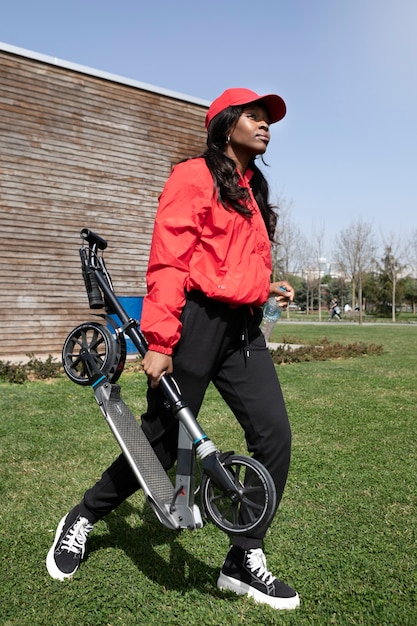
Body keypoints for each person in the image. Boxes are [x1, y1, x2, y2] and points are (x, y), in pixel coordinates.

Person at [46, 88, 300, 611]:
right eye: (252, 116)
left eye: (267, 118)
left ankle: (243, 555)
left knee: (274, 435)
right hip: (195, 325)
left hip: (243, 330)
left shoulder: (252, 188)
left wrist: (263, 287)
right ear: (225, 124)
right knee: (162, 443)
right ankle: (84, 516)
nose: (264, 124)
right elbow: (170, 262)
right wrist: (160, 340)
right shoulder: (193, 176)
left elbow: (231, 262)